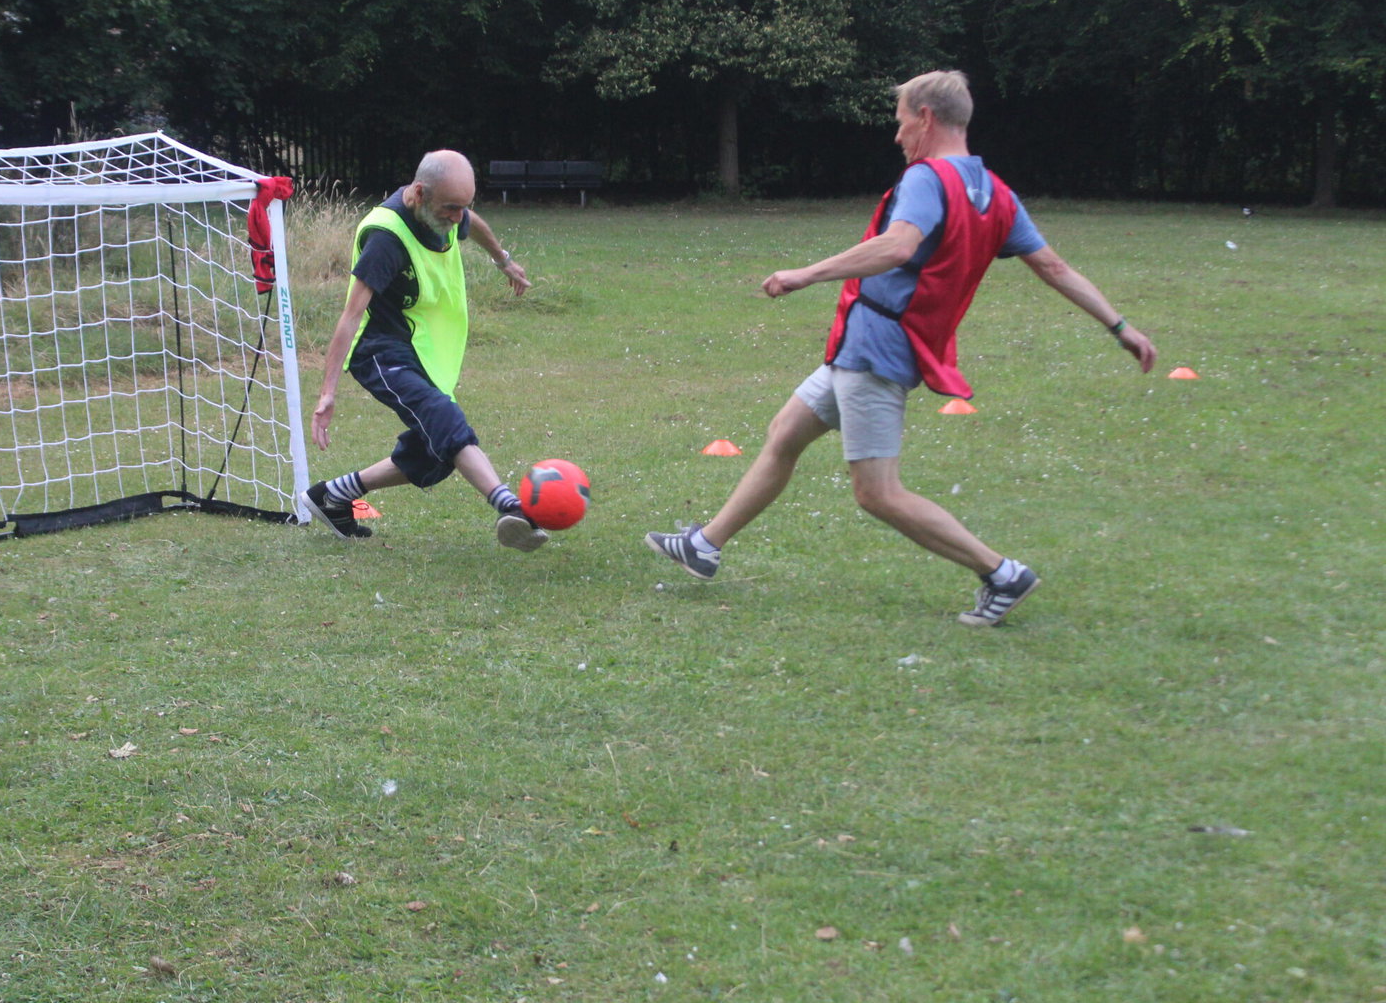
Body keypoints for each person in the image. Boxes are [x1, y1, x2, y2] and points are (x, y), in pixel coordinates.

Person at [645, 70, 1156, 625]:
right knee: (785, 433)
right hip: (871, 347)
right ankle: (706, 544)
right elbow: (1053, 266)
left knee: (877, 493)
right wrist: (1118, 325)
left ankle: (1001, 573)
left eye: (901, 122)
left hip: (877, 350)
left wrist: (804, 274)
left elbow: (897, 245)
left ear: (927, 118)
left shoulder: (927, 178)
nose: (897, 135)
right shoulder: (996, 193)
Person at [301, 150, 548, 550]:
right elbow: (349, 316)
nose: (457, 217)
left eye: (462, 207)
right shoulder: (386, 238)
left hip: (418, 346)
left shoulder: (445, 210)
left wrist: (503, 259)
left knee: (434, 452)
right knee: (444, 421)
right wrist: (328, 391)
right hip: (378, 352)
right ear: (418, 192)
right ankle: (509, 505)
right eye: (451, 208)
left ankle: (331, 496)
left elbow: (473, 223)